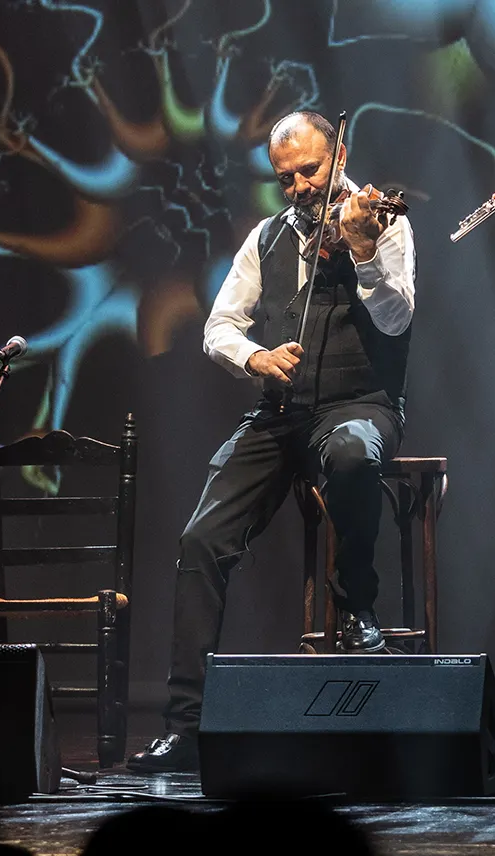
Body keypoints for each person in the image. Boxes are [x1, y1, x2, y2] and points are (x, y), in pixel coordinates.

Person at [128, 110, 417, 773]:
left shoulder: (384, 221)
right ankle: (187, 723)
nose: (299, 188)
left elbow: (398, 317)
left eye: (309, 171)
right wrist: (255, 358)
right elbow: (219, 327)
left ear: (340, 155)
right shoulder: (267, 237)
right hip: (281, 412)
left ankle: (357, 607)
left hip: (359, 403)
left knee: (353, 452)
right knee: (201, 539)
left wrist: (363, 251)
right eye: (285, 178)